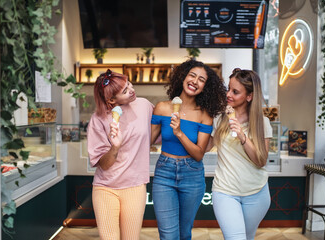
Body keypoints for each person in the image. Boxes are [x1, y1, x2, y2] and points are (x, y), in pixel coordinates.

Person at [151, 59, 227, 239]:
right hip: (164, 173)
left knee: (184, 233)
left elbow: (199, 154)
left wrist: (179, 132)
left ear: (205, 87)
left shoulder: (204, 115)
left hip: (192, 175)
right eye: (192, 75)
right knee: (168, 235)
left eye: (201, 79)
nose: (195, 81)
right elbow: (147, 141)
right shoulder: (162, 108)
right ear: (183, 77)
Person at [87, 69, 153, 240]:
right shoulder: (98, 119)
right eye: (125, 90)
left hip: (135, 186)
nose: (131, 90)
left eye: (129, 84)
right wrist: (115, 148)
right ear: (111, 99)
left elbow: (159, 131)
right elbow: (104, 164)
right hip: (105, 188)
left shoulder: (144, 105)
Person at [207, 68, 272, 240]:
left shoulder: (262, 123)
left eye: (235, 92)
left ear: (249, 96)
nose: (228, 94)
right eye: (229, 88)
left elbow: (261, 161)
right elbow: (205, 148)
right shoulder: (220, 119)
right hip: (225, 191)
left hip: (257, 194)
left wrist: (243, 136)